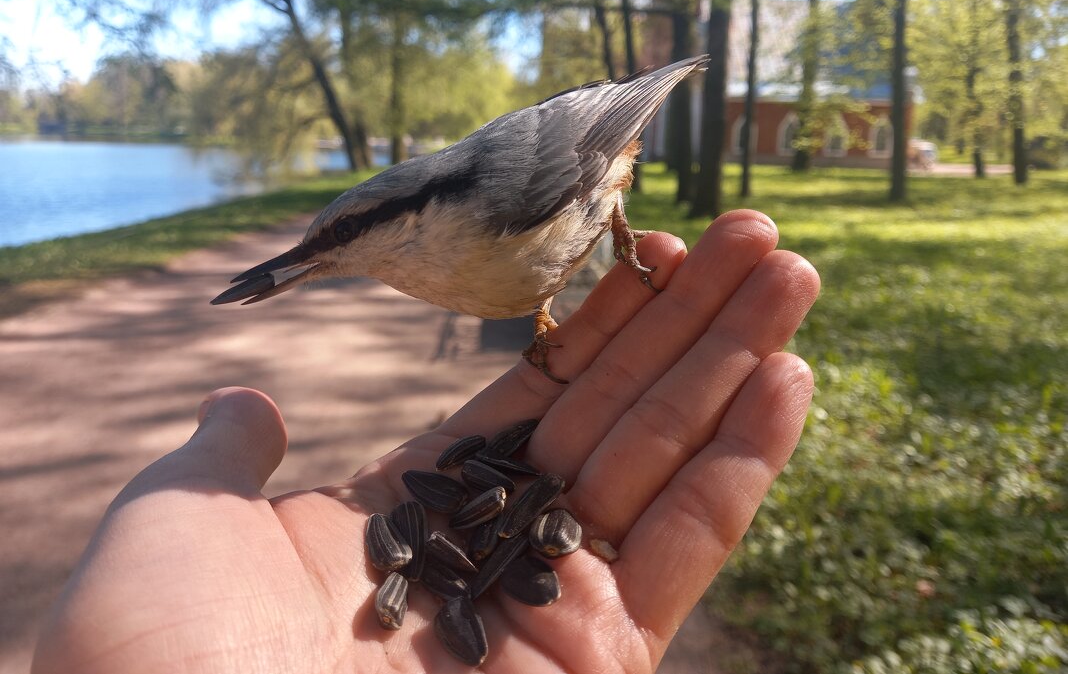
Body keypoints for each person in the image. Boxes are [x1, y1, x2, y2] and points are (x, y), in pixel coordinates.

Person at [31, 210, 820, 674]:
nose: (324, 256)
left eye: (344, 235)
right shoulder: (432, 261)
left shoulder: (489, 209)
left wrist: (614, 226)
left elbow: (594, 149)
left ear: (415, 215)